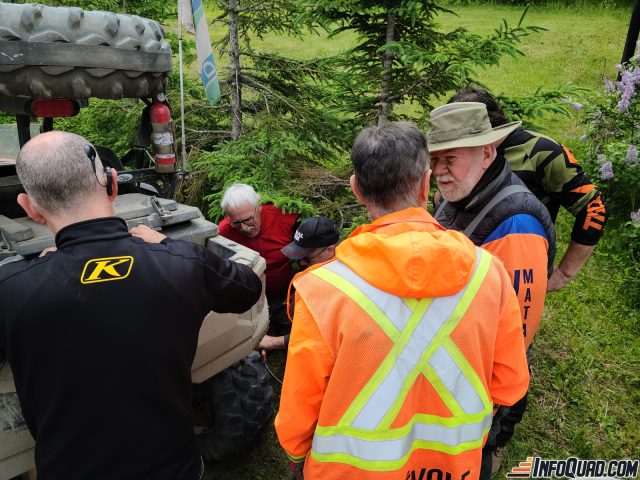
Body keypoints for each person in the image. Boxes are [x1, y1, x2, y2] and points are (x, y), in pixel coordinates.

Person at [275, 121, 529, 480]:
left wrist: (296, 453)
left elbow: (299, 410)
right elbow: (509, 384)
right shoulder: (490, 274)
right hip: (454, 468)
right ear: (426, 184)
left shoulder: (323, 290)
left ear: (356, 189)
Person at [0, 131, 262, 480]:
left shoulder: (12, 288)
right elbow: (248, 288)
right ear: (111, 184)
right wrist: (168, 246)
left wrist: (36, 271)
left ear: (29, 207)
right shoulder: (181, 263)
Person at [427, 102, 556, 479]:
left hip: (479, 385)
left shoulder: (517, 225)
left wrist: (489, 409)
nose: (438, 171)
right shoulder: (466, 192)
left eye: (449, 158)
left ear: (487, 152)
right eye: (434, 160)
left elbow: (517, 334)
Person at [449, 86, 608, 292]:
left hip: (517, 276)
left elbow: (594, 208)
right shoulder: (459, 153)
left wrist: (563, 275)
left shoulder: (542, 152)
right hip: (463, 270)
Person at [217, 184, 299, 342]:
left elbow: (309, 257)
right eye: (236, 223)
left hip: (286, 295)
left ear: (259, 206)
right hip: (251, 299)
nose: (244, 228)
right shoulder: (223, 233)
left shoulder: (285, 218)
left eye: (248, 219)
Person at [259, 215, 340, 351]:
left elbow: (324, 337)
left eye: (307, 257)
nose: (301, 263)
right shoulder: (323, 271)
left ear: (330, 251)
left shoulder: (338, 286)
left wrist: (274, 342)